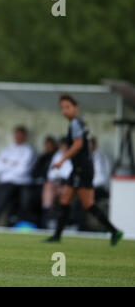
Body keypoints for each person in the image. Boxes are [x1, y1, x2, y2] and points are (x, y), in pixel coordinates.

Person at [43, 95, 123, 245]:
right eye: (62, 108)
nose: (64, 111)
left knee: (87, 204)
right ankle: (57, 236)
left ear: (76, 108)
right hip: (79, 169)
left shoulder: (75, 123)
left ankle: (114, 231)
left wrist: (62, 160)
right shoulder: (79, 123)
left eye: (67, 107)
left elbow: (78, 144)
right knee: (65, 199)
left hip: (82, 169)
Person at [0, 126, 36, 226]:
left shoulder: (28, 151)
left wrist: (7, 164)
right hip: (5, 181)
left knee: (4, 194)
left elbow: (23, 170)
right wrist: (13, 164)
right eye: (16, 135)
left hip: (20, 183)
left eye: (20, 135)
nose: (18, 137)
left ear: (24, 136)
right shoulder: (8, 150)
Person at [40, 137, 73, 229]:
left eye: (64, 146)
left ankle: (68, 223)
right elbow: (51, 173)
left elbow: (69, 173)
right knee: (48, 186)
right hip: (57, 183)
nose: (62, 148)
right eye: (61, 146)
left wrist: (62, 177)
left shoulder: (74, 155)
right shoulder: (57, 155)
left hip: (69, 184)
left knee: (67, 190)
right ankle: (47, 219)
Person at [30, 136, 58, 227]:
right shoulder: (43, 157)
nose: (48, 147)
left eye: (50, 145)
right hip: (38, 184)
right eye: (47, 145)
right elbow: (34, 172)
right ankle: (34, 222)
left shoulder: (57, 156)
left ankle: (46, 221)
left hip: (52, 185)